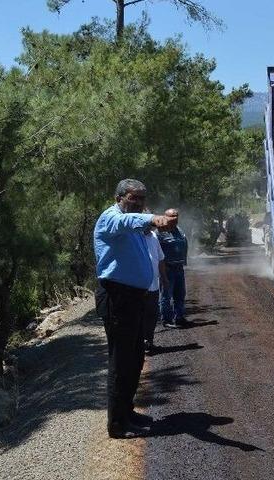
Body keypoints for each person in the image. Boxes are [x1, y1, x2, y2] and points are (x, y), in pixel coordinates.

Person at [93, 179, 176, 439]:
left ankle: (127, 412)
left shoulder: (136, 225)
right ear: (119, 197)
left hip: (135, 298)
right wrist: (154, 218)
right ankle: (117, 424)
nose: (138, 203)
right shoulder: (111, 218)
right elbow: (127, 222)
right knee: (120, 361)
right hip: (117, 298)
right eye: (133, 198)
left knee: (136, 357)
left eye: (142, 198)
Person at [158, 208, 189, 329]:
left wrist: (184, 260)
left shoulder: (179, 231)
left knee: (180, 294)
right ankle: (166, 320)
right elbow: (157, 252)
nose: (175, 218)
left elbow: (185, 244)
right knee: (166, 295)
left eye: (176, 216)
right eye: (172, 216)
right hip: (167, 269)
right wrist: (162, 270)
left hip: (179, 268)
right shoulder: (160, 233)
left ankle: (179, 317)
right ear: (165, 217)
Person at [142, 223, 167, 355]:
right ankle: (141, 344)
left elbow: (161, 259)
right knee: (141, 316)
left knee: (152, 316)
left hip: (154, 286)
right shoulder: (137, 237)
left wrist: (164, 278)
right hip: (141, 287)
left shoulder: (153, 237)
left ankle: (149, 343)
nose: (150, 226)